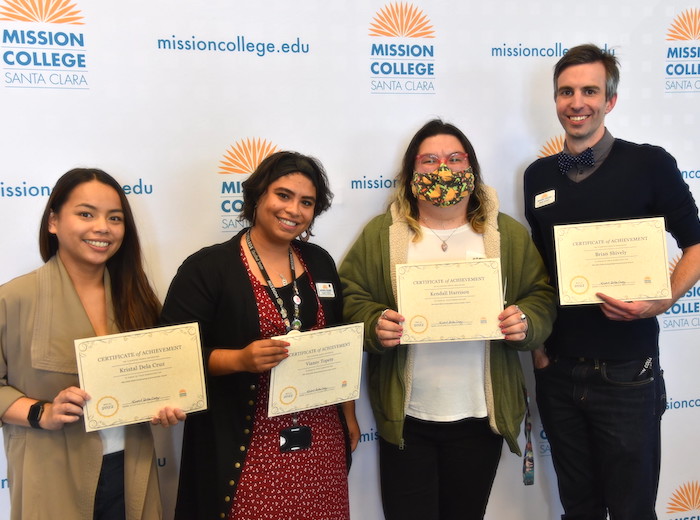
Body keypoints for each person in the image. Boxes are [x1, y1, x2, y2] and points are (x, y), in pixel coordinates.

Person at [339, 119, 556, 520]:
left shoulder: (504, 233)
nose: (443, 169)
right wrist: (373, 323)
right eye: (430, 160)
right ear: (411, 172)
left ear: (471, 168)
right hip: (407, 420)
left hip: (480, 417)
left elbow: (541, 295)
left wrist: (524, 322)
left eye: (455, 159)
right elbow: (350, 295)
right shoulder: (382, 234)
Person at [524, 43, 700, 520]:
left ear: (610, 100)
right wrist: (539, 353)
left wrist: (660, 301)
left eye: (589, 90)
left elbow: (697, 244)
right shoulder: (537, 176)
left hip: (627, 372)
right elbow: (539, 270)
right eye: (565, 91)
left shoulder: (649, 163)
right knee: (577, 509)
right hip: (558, 370)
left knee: (630, 510)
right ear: (555, 100)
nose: (576, 102)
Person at [161, 151, 360, 520]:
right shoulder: (208, 268)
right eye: (283, 195)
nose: (293, 210)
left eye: (307, 202)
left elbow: (337, 342)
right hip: (249, 446)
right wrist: (239, 360)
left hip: (320, 442)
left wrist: (348, 414)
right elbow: (172, 359)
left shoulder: (319, 262)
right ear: (257, 197)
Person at [0, 168, 185, 520]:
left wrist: (167, 401)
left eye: (114, 218)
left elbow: (163, 378)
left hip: (131, 469)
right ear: (53, 221)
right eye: (86, 214)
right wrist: (43, 413)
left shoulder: (139, 298)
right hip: (51, 471)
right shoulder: (13, 298)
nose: (103, 227)